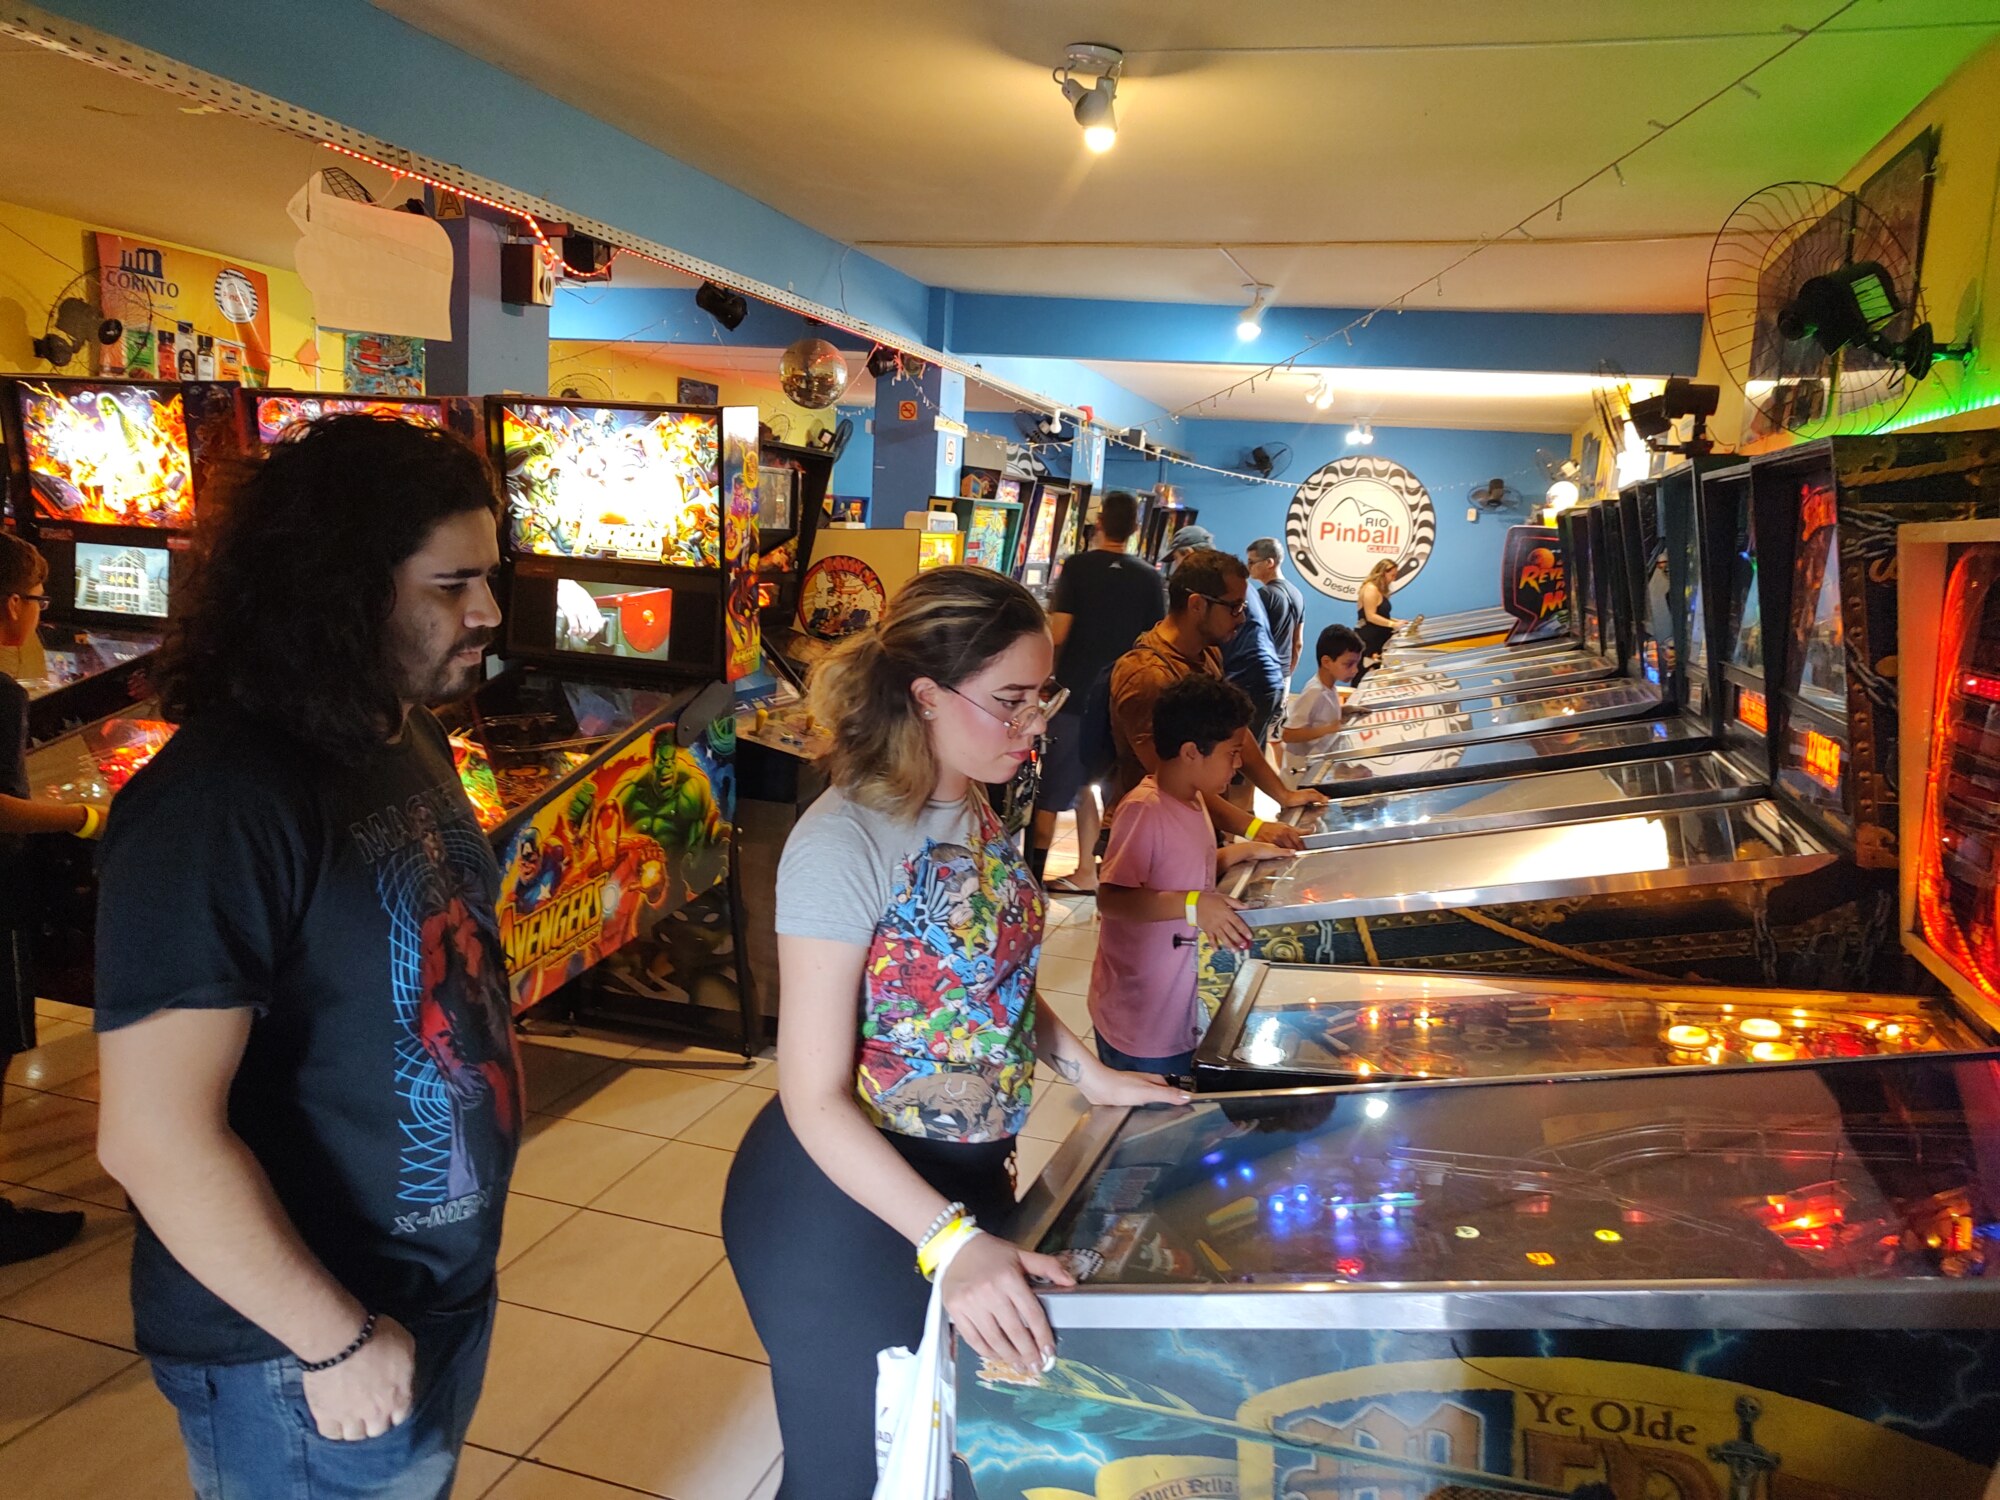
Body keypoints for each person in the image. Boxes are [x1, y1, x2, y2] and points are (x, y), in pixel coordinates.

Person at [93, 418, 519, 1500]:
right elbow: (153, 1137)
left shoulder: (400, 731)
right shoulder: (221, 801)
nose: (488, 611)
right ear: (342, 591)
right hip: (296, 1345)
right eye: (451, 584)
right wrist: (333, 1339)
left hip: (422, 1294)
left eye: (488, 576)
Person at [722, 566, 1188, 1499]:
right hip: (840, 1203)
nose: (1035, 726)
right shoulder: (844, 841)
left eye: (1043, 697)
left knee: (943, 1459)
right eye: (1010, 701)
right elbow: (810, 1095)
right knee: (851, 1475)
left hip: (959, 1183)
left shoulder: (969, 802)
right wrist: (951, 1243)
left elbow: (986, 981)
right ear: (926, 695)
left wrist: (1086, 1072)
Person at [1091, 675, 1286, 1076]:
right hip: (1141, 1021)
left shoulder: (1193, 798)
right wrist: (1195, 904)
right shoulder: (1144, 809)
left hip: (1180, 1008)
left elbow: (1182, 869)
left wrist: (1243, 851)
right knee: (1149, 1107)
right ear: (1191, 752)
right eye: (1233, 753)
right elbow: (1111, 899)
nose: (1238, 765)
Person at [0, 533, 102, 1266]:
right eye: (38, 598)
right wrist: (86, 817)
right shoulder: (2, 696)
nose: (40, 611)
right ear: (12, 606)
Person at [1109, 548, 1324, 843]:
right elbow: (1173, 782)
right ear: (1197, 604)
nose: (1242, 617)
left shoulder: (1207, 652)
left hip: (1195, 828)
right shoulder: (1148, 675)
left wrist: (1283, 795)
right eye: (1234, 607)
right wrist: (1255, 828)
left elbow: (1236, 733)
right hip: (1153, 837)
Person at [1029, 490, 1166, 892]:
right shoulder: (1149, 576)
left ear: (1099, 523)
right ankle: (1097, 874)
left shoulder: (1077, 567)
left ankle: (1031, 881)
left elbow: (1058, 633)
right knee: (1113, 793)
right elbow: (1154, 641)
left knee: (1052, 793)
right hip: (1124, 700)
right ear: (1137, 528)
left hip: (1076, 698)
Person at [1164, 527, 1286, 758]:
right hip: (1265, 677)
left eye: (1177, 559)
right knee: (1237, 761)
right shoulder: (1234, 583)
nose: (1239, 617)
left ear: (1188, 554)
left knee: (1230, 760)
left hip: (1247, 678)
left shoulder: (1219, 589)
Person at [1279, 623, 1365, 772]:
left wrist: (1344, 710)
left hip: (1319, 761)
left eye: (1356, 664)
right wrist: (1329, 729)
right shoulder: (1314, 691)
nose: (1355, 670)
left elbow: (1320, 716)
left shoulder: (1329, 686)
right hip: (1301, 770)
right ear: (1326, 662)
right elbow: (1288, 734)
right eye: (1348, 664)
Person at [1247, 537, 1306, 682]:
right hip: (1283, 675)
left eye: (1251, 562)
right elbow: (1298, 643)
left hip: (1260, 675)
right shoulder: (1297, 594)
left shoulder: (1264, 595)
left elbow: (1249, 639)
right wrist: (1287, 675)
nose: (1248, 567)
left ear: (1269, 563)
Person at [1356, 557, 1400, 668]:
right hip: (1369, 641)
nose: (1394, 579)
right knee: (1366, 673)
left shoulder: (1379, 590)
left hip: (1380, 638)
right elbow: (1370, 616)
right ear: (1383, 573)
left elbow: (1382, 615)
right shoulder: (1370, 589)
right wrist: (1392, 624)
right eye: (1392, 575)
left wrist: (1397, 621)